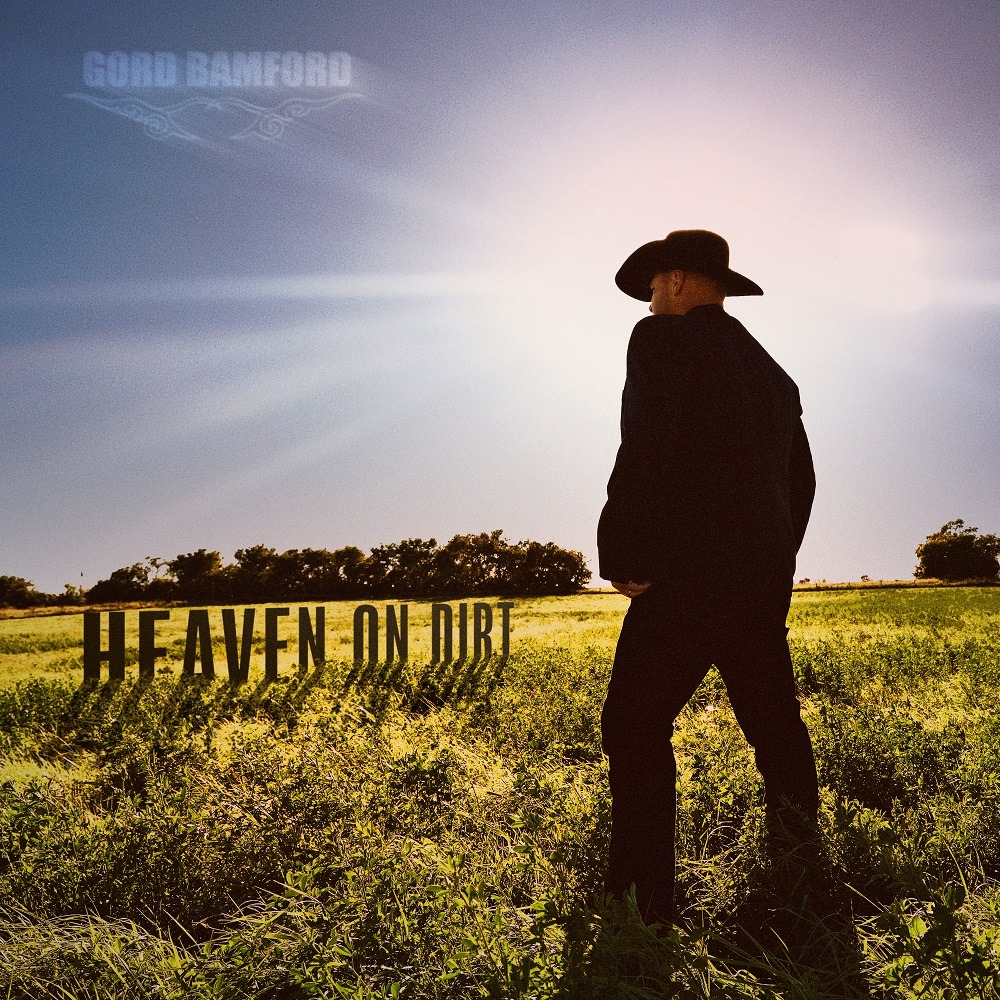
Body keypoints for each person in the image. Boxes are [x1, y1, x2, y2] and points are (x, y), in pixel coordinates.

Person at [597, 229, 819, 926]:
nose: (650, 301)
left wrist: (623, 549)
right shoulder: (776, 376)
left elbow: (646, 440)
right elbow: (803, 480)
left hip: (687, 574)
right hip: (760, 579)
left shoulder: (660, 339)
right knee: (774, 723)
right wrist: (774, 556)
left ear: (679, 281)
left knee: (633, 724)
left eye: (654, 287)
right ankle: (802, 866)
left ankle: (642, 899)